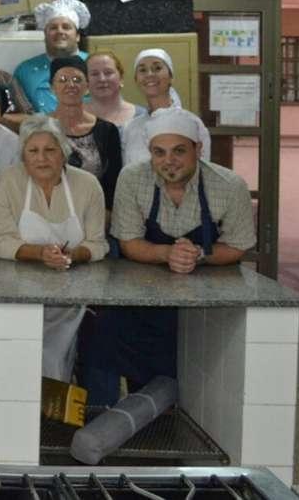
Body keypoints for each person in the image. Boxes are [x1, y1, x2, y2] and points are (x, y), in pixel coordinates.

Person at [80, 108, 256, 406]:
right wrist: (166, 253)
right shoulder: (132, 178)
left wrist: (199, 254)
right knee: (102, 336)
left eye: (179, 151)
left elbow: (238, 246)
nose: (169, 160)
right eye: (159, 152)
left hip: (205, 298)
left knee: (197, 365)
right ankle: (113, 414)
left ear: (198, 149)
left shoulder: (229, 185)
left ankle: (182, 417)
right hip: (141, 294)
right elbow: (129, 242)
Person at [0, 116, 109, 381]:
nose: (41, 158)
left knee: (61, 363)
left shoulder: (87, 185)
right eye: (33, 151)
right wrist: (40, 253)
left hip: (72, 297)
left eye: (50, 150)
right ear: (23, 155)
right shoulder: (9, 181)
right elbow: (2, 241)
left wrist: (72, 256)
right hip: (18, 294)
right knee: (21, 368)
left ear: (63, 153)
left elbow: (98, 244)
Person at [48, 56, 123, 218]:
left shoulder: (107, 130)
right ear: (51, 88)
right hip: (48, 213)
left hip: (95, 214)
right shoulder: (39, 128)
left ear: (87, 87)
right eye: (62, 80)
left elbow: (113, 183)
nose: (70, 85)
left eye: (77, 79)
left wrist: (104, 218)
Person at [120, 48, 211, 165]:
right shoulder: (131, 128)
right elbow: (127, 172)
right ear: (136, 80)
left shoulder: (192, 123)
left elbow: (203, 169)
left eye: (157, 68)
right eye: (142, 70)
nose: (149, 74)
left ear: (171, 77)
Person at [13, 0, 91, 114]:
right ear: (45, 36)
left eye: (66, 27)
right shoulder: (24, 71)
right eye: (53, 28)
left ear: (78, 36)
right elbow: (20, 115)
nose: (60, 31)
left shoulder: (95, 65)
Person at [87, 50, 144, 127]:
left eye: (108, 72)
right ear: (86, 80)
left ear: (121, 78)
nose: (102, 79)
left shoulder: (143, 116)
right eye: (94, 74)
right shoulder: (74, 116)